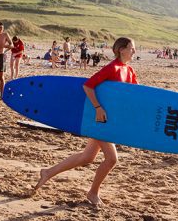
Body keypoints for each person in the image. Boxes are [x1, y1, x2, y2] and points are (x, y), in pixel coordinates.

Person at [33, 37, 137, 208]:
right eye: (131, 48)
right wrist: (98, 107)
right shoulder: (112, 68)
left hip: (110, 122)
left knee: (87, 157)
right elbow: (88, 86)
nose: (134, 51)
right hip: (99, 120)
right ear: (121, 49)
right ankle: (93, 192)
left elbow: (136, 96)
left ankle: (47, 172)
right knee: (112, 159)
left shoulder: (129, 70)